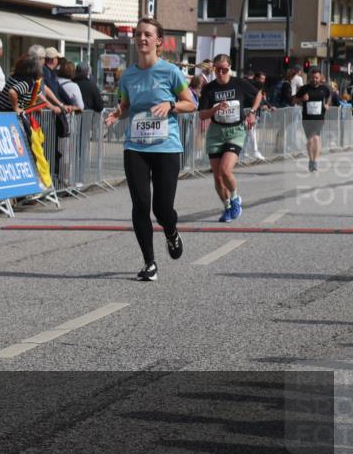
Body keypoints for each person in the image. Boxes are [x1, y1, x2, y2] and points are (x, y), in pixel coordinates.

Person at [104, 17, 195, 281]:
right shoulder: (128, 75)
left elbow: (190, 103)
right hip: (136, 146)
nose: (142, 38)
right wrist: (116, 114)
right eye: (138, 34)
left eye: (147, 34)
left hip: (166, 148)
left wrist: (171, 106)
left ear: (158, 40)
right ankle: (149, 263)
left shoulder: (171, 72)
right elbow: (126, 106)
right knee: (141, 204)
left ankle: (171, 231)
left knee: (163, 208)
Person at [197, 54, 262, 222]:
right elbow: (202, 115)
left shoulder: (239, 83)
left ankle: (235, 198)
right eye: (217, 70)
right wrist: (215, 109)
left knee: (225, 170)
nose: (220, 73)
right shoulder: (209, 88)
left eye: (224, 70)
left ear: (229, 68)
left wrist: (253, 112)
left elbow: (258, 95)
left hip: (236, 131)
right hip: (216, 133)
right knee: (217, 176)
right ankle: (226, 206)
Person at [295, 68, 331, 172]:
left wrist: (327, 105)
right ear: (310, 77)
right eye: (313, 77)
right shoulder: (304, 89)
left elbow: (329, 96)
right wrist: (302, 99)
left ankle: (315, 161)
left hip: (319, 118)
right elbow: (294, 100)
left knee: (316, 138)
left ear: (320, 78)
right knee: (310, 140)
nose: (315, 79)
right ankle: (310, 160)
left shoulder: (324, 88)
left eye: (317, 78)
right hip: (307, 118)